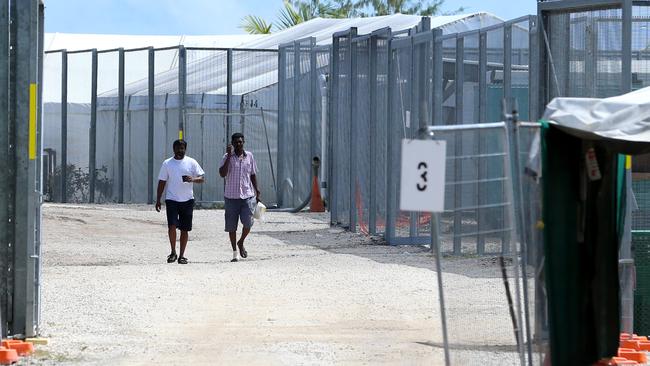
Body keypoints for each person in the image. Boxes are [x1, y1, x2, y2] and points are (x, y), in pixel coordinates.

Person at [155, 139, 205, 264]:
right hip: (172, 199)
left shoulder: (191, 162)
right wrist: (158, 199)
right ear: (173, 149)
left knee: (185, 229)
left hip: (187, 200)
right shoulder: (167, 164)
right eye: (177, 148)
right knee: (171, 225)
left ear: (185, 149)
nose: (180, 150)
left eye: (182, 148)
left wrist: (192, 179)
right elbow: (162, 182)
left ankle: (182, 255)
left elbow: (202, 178)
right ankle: (173, 252)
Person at [219, 132, 260, 262]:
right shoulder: (227, 157)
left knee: (248, 222)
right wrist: (229, 156)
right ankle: (235, 252)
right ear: (232, 143)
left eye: (240, 142)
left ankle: (241, 241)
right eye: (236, 142)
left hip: (247, 195)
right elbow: (222, 173)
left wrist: (257, 190)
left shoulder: (250, 156)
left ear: (244, 142)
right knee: (232, 226)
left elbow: (253, 174)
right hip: (231, 197)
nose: (238, 144)